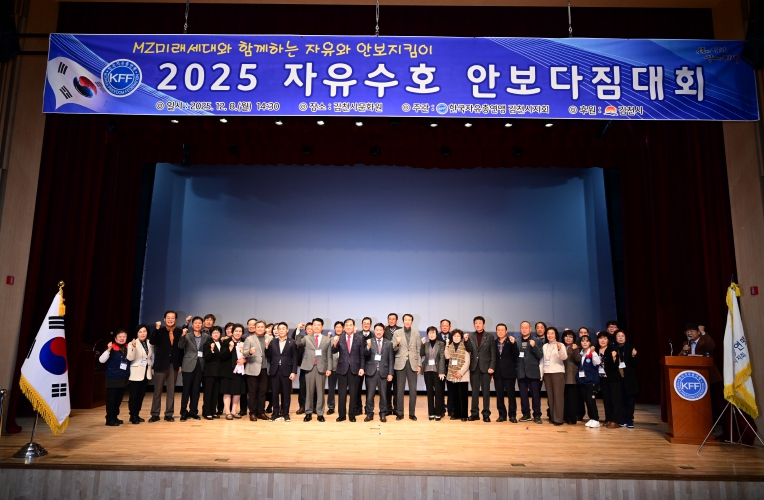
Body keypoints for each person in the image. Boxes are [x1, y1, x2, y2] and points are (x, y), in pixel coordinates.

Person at [681, 323, 723, 422]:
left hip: (707, 375)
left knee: (710, 400)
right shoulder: (686, 343)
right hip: (693, 377)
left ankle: (712, 422)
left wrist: (704, 332)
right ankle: (696, 420)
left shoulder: (704, 341)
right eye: (687, 331)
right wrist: (683, 351)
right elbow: (680, 358)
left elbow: (712, 346)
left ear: (698, 332)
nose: (689, 333)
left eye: (692, 331)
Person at [296, 318, 334, 422]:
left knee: (320, 392)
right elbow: (298, 342)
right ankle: (308, 413)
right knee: (309, 391)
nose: (316, 327)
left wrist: (329, 368)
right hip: (309, 367)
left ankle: (320, 413)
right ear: (312, 327)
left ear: (322, 327)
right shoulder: (306, 338)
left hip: (321, 368)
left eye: (318, 325)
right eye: (314, 325)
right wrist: (298, 330)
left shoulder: (327, 339)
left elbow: (329, 355)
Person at [148, 310, 183, 422]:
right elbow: (152, 341)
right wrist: (157, 329)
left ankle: (169, 414)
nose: (170, 319)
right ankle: (155, 414)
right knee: (157, 390)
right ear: (164, 319)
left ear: (175, 320)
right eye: (168, 317)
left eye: (172, 318)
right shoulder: (160, 331)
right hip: (160, 364)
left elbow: (181, 349)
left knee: (171, 391)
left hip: (173, 364)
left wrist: (180, 364)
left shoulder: (179, 332)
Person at [331, 318, 365, 422]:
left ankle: (352, 415)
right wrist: (335, 343)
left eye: (350, 325)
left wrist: (362, 368)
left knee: (353, 393)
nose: (348, 327)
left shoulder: (359, 338)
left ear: (354, 327)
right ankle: (341, 415)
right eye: (346, 325)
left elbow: (362, 355)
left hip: (355, 368)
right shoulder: (340, 338)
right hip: (342, 368)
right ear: (344, 327)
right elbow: (333, 351)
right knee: (342, 393)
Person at [177, 316, 210, 421]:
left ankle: (193, 412)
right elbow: (180, 346)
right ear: (192, 325)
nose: (198, 325)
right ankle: (183, 412)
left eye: (199, 323)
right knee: (186, 390)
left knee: (196, 390)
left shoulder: (206, 336)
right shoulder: (187, 335)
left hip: (200, 365)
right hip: (188, 364)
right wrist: (183, 335)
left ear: (202, 325)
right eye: (196, 323)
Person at [465, 316, 496, 422]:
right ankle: (474, 413)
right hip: (474, 367)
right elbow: (469, 349)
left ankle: (486, 414)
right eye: (476, 323)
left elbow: (493, 353)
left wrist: (492, 366)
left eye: (480, 323)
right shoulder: (471, 336)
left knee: (486, 392)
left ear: (484, 324)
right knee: (474, 392)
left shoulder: (489, 336)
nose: (477, 325)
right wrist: (466, 341)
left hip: (486, 368)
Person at [266, 322, 299, 422]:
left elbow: (295, 358)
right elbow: (268, 356)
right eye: (279, 329)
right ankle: (275, 413)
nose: (281, 330)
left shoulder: (292, 342)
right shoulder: (273, 342)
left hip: (287, 371)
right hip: (275, 370)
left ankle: (286, 413)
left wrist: (294, 372)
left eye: (283, 328)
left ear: (287, 330)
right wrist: (266, 347)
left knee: (286, 393)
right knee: (274, 393)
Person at [392, 313, 421, 421]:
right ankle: (400, 413)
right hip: (400, 363)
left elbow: (418, 350)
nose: (407, 321)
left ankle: (412, 413)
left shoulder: (416, 334)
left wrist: (419, 365)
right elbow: (393, 348)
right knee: (400, 390)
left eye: (409, 320)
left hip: (413, 364)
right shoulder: (397, 333)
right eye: (405, 320)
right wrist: (397, 343)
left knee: (413, 390)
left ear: (412, 322)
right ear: (403, 321)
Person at [363, 322, 394, 422]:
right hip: (371, 372)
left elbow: (391, 360)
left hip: (384, 372)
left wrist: (390, 373)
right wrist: (368, 347)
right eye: (377, 330)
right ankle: (369, 413)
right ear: (374, 331)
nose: (378, 332)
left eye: (380, 330)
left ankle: (383, 413)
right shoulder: (369, 341)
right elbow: (365, 354)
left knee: (383, 395)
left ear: (383, 331)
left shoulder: (388, 343)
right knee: (370, 395)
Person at [240, 320, 271, 421]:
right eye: (258, 327)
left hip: (265, 369)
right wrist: (249, 352)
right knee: (252, 392)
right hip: (252, 368)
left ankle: (261, 412)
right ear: (255, 328)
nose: (260, 328)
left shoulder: (269, 338)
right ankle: (252, 413)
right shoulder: (249, 339)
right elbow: (244, 353)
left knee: (262, 392)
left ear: (265, 328)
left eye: (262, 327)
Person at [99, 330, 130, 426]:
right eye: (120, 336)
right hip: (112, 377)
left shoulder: (128, 348)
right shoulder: (111, 347)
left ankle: (115, 417)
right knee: (111, 400)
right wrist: (108, 350)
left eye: (124, 337)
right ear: (115, 338)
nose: (122, 338)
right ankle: (109, 419)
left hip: (123, 377)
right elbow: (101, 360)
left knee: (118, 399)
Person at [516, 321, 543, 424]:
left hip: (533, 371)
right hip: (521, 372)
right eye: (522, 328)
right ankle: (526, 414)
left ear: (530, 329)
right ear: (520, 329)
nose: (524, 329)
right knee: (523, 395)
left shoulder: (537, 340)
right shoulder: (517, 341)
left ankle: (537, 415)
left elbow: (540, 356)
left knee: (535, 395)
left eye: (526, 328)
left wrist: (534, 346)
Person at [126, 324, 153, 424]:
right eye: (140, 332)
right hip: (136, 373)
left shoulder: (149, 342)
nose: (142, 334)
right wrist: (133, 347)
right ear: (137, 333)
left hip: (146, 372)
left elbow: (150, 357)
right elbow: (130, 358)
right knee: (134, 396)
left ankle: (137, 414)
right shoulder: (132, 343)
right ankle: (132, 415)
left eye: (144, 331)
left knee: (141, 395)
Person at [541, 327, 567, 426]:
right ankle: (552, 417)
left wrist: (559, 349)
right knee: (550, 396)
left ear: (556, 335)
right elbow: (543, 361)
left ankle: (559, 419)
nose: (550, 335)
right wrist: (541, 374)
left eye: (552, 333)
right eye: (548, 333)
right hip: (547, 373)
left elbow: (564, 357)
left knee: (558, 396)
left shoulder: (561, 345)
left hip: (557, 372)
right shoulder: (545, 346)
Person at [596, 331, 623, 428]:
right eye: (601, 338)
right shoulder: (596, 350)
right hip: (602, 379)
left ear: (608, 340)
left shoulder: (612, 350)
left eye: (605, 338)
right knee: (606, 399)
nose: (603, 340)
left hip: (613, 378)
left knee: (615, 399)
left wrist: (614, 358)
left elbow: (615, 366)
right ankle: (608, 419)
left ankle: (615, 420)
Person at [494, 323, 519, 423]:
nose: (500, 332)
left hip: (509, 373)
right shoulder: (494, 342)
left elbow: (516, 354)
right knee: (499, 395)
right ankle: (502, 415)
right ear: (496, 331)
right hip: (497, 373)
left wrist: (513, 344)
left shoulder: (511, 342)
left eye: (502, 330)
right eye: (498, 330)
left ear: (506, 331)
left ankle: (512, 415)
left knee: (511, 395)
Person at [221, 324, 246, 420]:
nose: (238, 333)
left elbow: (248, 355)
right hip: (227, 370)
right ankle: (227, 412)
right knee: (227, 391)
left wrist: (245, 360)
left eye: (240, 331)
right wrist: (230, 348)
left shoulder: (244, 342)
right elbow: (222, 356)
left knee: (237, 391)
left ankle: (234, 411)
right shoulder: (226, 342)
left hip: (240, 370)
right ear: (232, 332)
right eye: (236, 331)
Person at [420, 326, 446, 420]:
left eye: (433, 333)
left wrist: (441, 371)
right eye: (430, 333)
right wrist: (422, 345)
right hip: (427, 370)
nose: (431, 334)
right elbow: (421, 354)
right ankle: (431, 413)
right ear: (427, 334)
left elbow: (442, 358)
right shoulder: (426, 344)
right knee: (429, 392)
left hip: (437, 371)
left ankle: (438, 413)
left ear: (436, 334)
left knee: (438, 393)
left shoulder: (441, 344)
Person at [444, 330, 470, 421]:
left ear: (461, 338)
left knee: (463, 396)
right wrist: (447, 345)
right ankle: (457, 414)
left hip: (462, 376)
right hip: (452, 375)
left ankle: (464, 415)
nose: (456, 338)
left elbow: (467, 363)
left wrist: (460, 372)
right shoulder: (450, 347)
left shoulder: (465, 347)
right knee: (455, 396)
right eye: (454, 336)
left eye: (458, 336)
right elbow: (447, 356)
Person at [614, 330, 638, 428]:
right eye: (618, 336)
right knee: (621, 400)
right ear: (615, 338)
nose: (620, 338)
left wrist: (633, 356)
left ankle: (629, 420)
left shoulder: (630, 348)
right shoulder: (613, 349)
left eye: (622, 336)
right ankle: (622, 419)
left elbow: (635, 364)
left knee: (630, 400)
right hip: (618, 378)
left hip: (629, 378)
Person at [576, 334, 601, 428]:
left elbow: (597, 362)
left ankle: (596, 419)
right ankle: (592, 418)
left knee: (591, 401)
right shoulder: (581, 353)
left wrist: (593, 353)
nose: (584, 343)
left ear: (590, 343)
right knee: (587, 400)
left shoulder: (593, 352)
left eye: (586, 341)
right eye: (583, 341)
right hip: (583, 381)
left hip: (592, 381)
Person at [202, 326, 227, 420]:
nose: (216, 334)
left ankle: (213, 411)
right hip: (210, 372)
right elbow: (206, 357)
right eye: (214, 333)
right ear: (211, 334)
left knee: (216, 393)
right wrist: (211, 350)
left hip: (219, 372)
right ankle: (206, 412)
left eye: (218, 332)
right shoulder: (207, 343)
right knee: (208, 393)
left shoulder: (222, 343)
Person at [562, 329, 581, 425]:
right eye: (566, 336)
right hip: (562, 376)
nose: (568, 338)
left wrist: (575, 350)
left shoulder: (575, 347)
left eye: (570, 337)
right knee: (564, 398)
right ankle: (565, 416)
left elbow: (578, 359)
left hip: (572, 376)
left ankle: (572, 418)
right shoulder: (561, 346)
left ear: (573, 339)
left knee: (572, 399)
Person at [355, 317, 374, 416]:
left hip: (371, 365)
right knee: (357, 388)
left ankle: (368, 408)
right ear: (362, 324)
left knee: (370, 389)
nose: (366, 325)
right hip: (359, 366)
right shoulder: (357, 335)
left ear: (370, 325)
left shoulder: (374, 336)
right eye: (364, 323)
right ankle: (358, 408)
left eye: (368, 323)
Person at [293, 321, 312, 415]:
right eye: (308, 329)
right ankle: (302, 406)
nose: (310, 330)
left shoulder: (318, 340)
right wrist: (298, 329)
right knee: (303, 387)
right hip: (304, 366)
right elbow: (294, 339)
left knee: (315, 388)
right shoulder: (301, 338)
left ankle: (314, 406)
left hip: (315, 366)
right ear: (305, 331)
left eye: (312, 329)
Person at [326, 320, 343, 415]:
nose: (338, 329)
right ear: (334, 329)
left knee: (342, 390)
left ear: (343, 328)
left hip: (343, 368)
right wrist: (328, 367)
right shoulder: (330, 339)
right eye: (337, 327)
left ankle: (341, 407)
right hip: (332, 367)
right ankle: (331, 407)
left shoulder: (346, 339)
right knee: (331, 389)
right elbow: (328, 354)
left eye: (340, 327)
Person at [384, 313, 400, 415]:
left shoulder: (401, 330)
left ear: (397, 320)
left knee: (397, 388)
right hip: (386, 362)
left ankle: (397, 408)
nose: (391, 321)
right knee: (387, 388)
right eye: (390, 319)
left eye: (393, 319)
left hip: (398, 361)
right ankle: (388, 408)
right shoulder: (383, 330)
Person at [439, 319, 453, 416]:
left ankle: (451, 409)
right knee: (440, 389)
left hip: (452, 367)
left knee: (451, 389)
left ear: (450, 327)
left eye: (446, 326)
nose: (444, 327)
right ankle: (441, 409)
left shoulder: (454, 336)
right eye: (443, 326)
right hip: (440, 367)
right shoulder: (436, 336)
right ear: (440, 327)